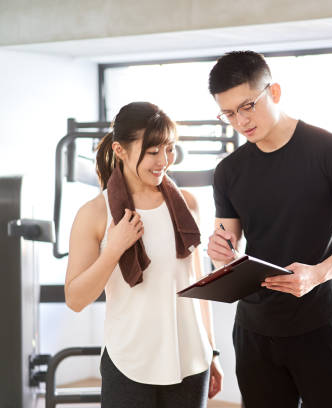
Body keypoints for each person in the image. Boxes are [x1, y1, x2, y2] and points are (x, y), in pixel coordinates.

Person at [206, 51, 332, 408]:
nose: (240, 121)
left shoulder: (329, 151)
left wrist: (317, 274)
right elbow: (227, 242)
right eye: (228, 113)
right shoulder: (229, 171)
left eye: (247, 106)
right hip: (254, 331)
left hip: (319, 326)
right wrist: (220, 253)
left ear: (274, 92)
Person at [64, 101, 223, 408]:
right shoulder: (95, 214)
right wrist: (113, 249)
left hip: (190, 360)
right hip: (129, 362)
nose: (164, 160)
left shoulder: (188, 204)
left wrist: (211, 350)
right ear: (120, 150)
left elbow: (200, 285)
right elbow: (75, 299)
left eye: (170, 149)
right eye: (152, 152)